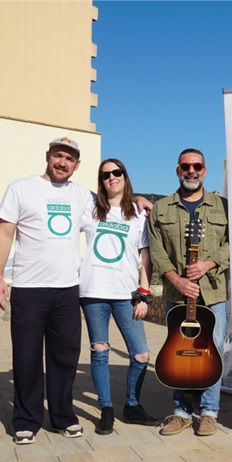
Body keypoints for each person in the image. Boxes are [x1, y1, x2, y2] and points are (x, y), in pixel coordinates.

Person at [0, 137, 152, 445]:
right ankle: (26, 420)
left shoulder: (83, 196)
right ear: (48, 156)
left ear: (77, 165)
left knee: (65, 357)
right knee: (26, 358)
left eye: (70, 158)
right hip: (28, 287)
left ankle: (63, 416)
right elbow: (4, 232)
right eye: (58, 155)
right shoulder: (20, 188)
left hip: (67, 288)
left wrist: (140, 198)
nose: (62, 162)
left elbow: (115, 198)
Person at [147, 148, 229, 437]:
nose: (191, 171)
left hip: (213, 293)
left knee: (212, 350)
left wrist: (210, 262)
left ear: (205, 171)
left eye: (197, 166)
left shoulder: (223, 207)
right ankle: (181, 412)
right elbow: (157, 251)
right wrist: (176, 280)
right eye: (185, 166)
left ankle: (209, 412)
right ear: (178, 170)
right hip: (178, 295)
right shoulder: (162, 209)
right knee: (179, 352)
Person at [80, 159, 160, 435]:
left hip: (126, 295)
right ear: (100, 180)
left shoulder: (138, 215)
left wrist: (144, 294)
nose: (111, 177)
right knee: (99, 352)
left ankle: (132, 405)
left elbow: (145, 258)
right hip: (92, 293)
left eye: (117, 172)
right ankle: (106, 410)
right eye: (105, 175)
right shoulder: (89, 209)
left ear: (125, 176)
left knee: (141, 354)